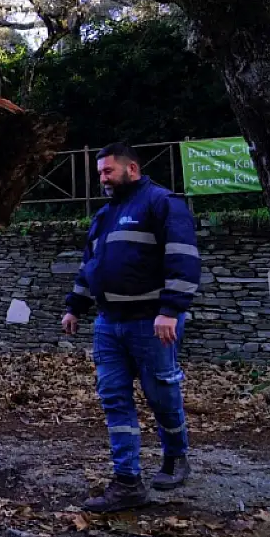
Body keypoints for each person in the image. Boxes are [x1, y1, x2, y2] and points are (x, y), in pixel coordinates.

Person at [62, 142, 201, 513]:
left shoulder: (162, 204)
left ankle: (176, 457)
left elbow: (183, 259)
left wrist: (170, 310)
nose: (102, 180)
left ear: (132, 169)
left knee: (161, 396)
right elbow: (89, 266)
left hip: (151, 324)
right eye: (99, 174)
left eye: (108, 172)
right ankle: (128, 481)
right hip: (108, 325)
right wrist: (75, 307)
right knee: (113, 398)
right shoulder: (105, 215)